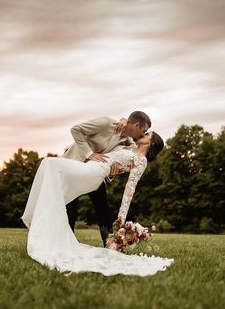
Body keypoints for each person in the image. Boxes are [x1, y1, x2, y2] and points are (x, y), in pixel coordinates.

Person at [21, 130, 174, 277]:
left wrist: (121, 219)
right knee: (54, 178)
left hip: (94, 172)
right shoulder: (130, 146)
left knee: (50, 164)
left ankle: (35, 218)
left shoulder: (142, 161)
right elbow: (120, 138)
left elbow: (130, 188)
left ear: (151, 143)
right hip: (91, 166)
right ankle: (49, 230)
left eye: (147, 134)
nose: (143, 134)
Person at [63, 111, 151, 246]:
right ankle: (66, 244)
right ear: (137, 125)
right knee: (71, 208)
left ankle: (110, 245)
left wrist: (112, 173)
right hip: (74, 166)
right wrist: (89, 153)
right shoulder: (106, 123)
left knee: (102, 207)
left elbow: (123, 159)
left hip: (94, 173)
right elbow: (75, 130)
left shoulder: (128, 142)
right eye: (144, 131)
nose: (143, 134)